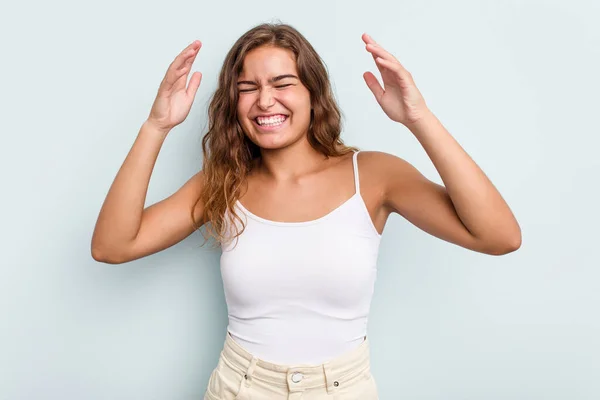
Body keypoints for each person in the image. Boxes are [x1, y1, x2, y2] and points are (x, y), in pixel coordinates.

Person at [91, 23, 521, 400]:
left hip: (344, 389)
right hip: (239, 387)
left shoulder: (373, 175)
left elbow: (499, 236)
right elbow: (112, 246)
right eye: (247, 88)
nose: (264, 101)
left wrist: (417, 117)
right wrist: (156, 126)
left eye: (282, 83)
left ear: (314, 93)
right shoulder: (222, 183)